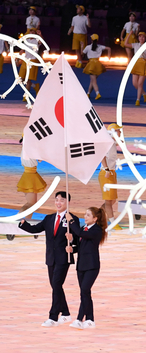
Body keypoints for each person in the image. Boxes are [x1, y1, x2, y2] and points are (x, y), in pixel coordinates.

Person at [17, 191, 78, 327]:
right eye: (57, 200)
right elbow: (35, 229)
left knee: (56, 284)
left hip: (64, 257)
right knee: (55, 286)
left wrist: (71, 240)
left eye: (62, 200)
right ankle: (66, 313)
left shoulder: (71, 219)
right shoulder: (49, 218)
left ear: (68, 202)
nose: (58, 203)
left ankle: (53, 317)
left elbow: (77, 238)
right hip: (50, 257)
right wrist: (23, 224)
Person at [66, 206, 108, 329]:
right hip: (81, 265)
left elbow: (81, 234)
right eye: (85, 214)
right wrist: (72, 247)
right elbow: (80, 245)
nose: (85, 217)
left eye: (88, 215)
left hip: (92, 266)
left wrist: (71, 221)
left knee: (85, 290)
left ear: (95, 219)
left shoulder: (96, 230)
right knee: (84, 293)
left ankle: (80, 318)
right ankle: (89, 319)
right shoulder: (83, 229)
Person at [100, 124, 122, 229]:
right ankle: (113, 223)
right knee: (108, 201)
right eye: (118, 131)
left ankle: (96, 215)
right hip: (106, 173)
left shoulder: (112, 143)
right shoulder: (107, 144)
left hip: (112, 173)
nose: (120, 132)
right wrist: (106, 169)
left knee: (112, 200)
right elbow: (102, 156)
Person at [17, 135, 46, 211]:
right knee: (31, 204)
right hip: (30, 176)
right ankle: (21, 218)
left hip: (29, 174)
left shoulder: (27, 146)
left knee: (31, 204)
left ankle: (22, 217)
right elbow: (40, 159)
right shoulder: (30, 147)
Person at [82, 34, 111, 100]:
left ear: (91, 40)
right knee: (92, 81)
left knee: (94, 81)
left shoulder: (88, 47)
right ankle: (88, 93)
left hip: (91, 64)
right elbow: (109, 48)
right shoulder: (100, 47)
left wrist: (82, 46)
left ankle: (97, 93)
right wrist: (109, 56)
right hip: (98, 64)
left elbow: (82, 53)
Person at [18, 28, 41, 97]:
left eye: (33, 32)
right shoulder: (27, 40)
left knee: (28, 80)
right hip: (25, 60)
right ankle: (35, 86)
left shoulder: (36, 40)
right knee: (20, 79)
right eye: (31, 31)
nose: (32, 33)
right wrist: (18, 59)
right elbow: (22, 50)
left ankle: (26, 96)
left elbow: (41, 42)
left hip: (33, 61)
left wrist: (40, 35)